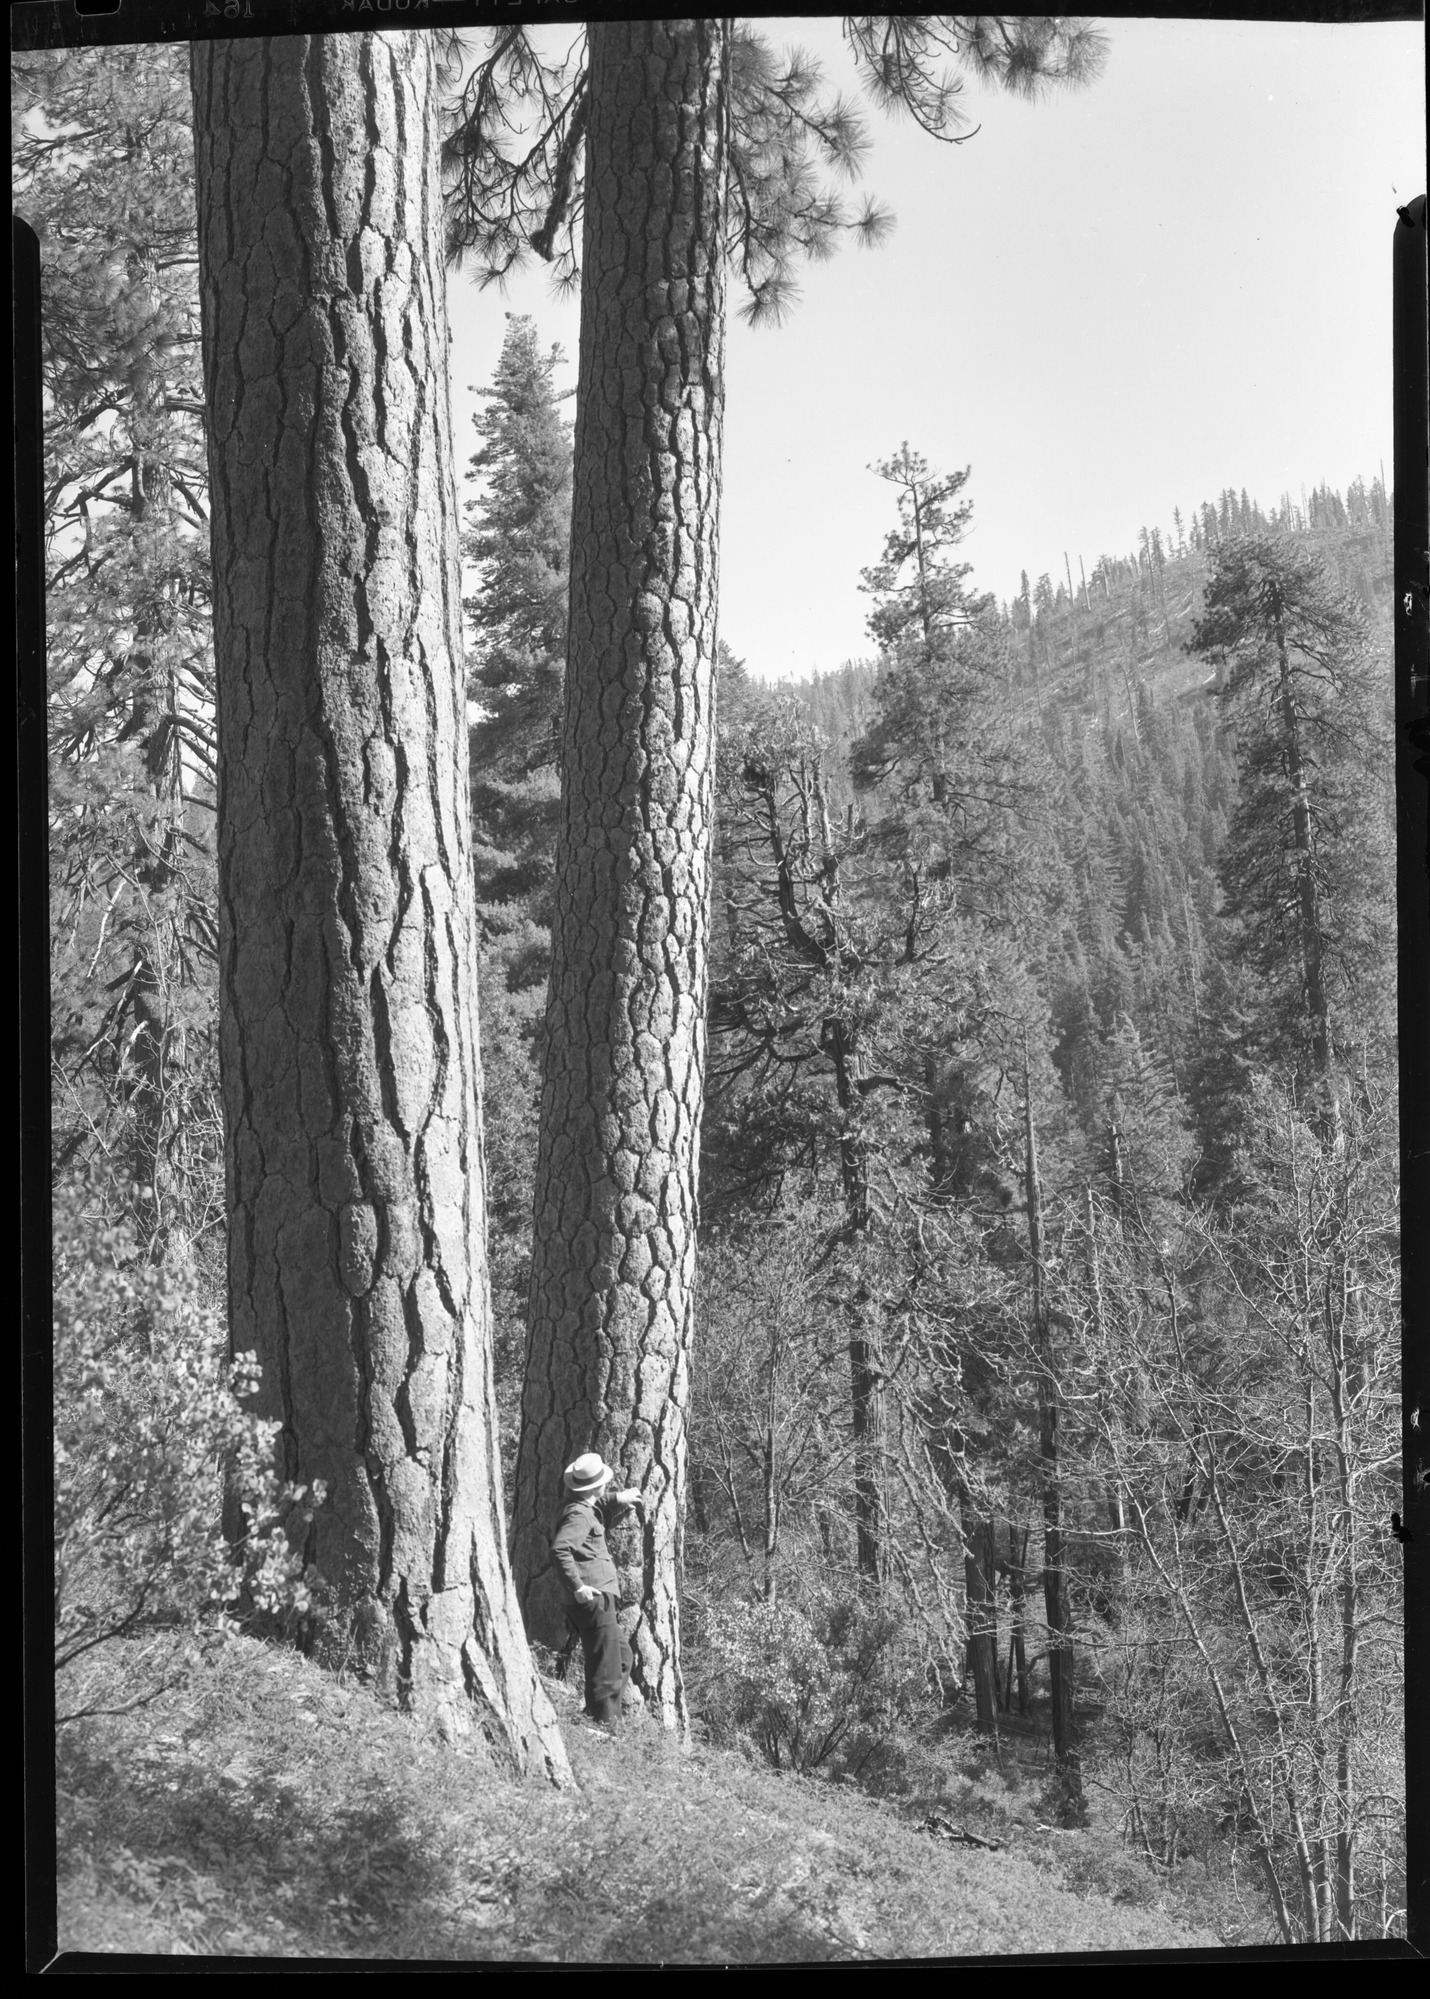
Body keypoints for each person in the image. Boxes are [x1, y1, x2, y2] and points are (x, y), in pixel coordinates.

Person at [550, 1454, 643, 1728]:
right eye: (602, 1481)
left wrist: (617, 1498)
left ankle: (596, 1716)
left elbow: (593, 1505)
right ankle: (605, 1728)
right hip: (592, 1598)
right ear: (593, 1487)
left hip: (596, 1598)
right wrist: (578, 1587)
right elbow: (560, 1549)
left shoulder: (577, 1506)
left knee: (622, 1657)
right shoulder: (578, 1514)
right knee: (606, 1668)